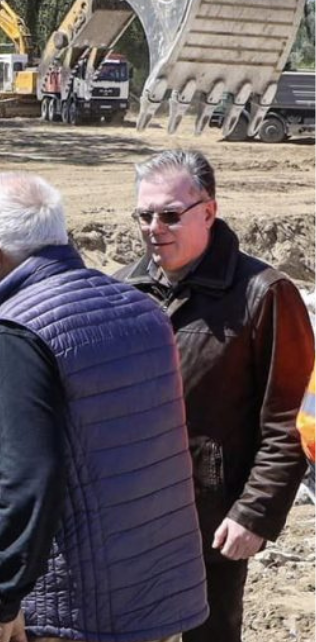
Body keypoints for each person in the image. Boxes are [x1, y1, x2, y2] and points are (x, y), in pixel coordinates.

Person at [0, 172, 208, 642]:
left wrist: (2, 600)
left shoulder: (19, 330)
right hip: (158, 586)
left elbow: (26, 482)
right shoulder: (143, 309)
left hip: (77, 605)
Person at [115, 149, 314, 642]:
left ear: (208, 211)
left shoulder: (264, 294)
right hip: (129, 518)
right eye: (144, 215)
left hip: (212, 520)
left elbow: (291, 419)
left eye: (169, 215)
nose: (154, 228)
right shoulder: (121, 290)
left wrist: (254, 513)